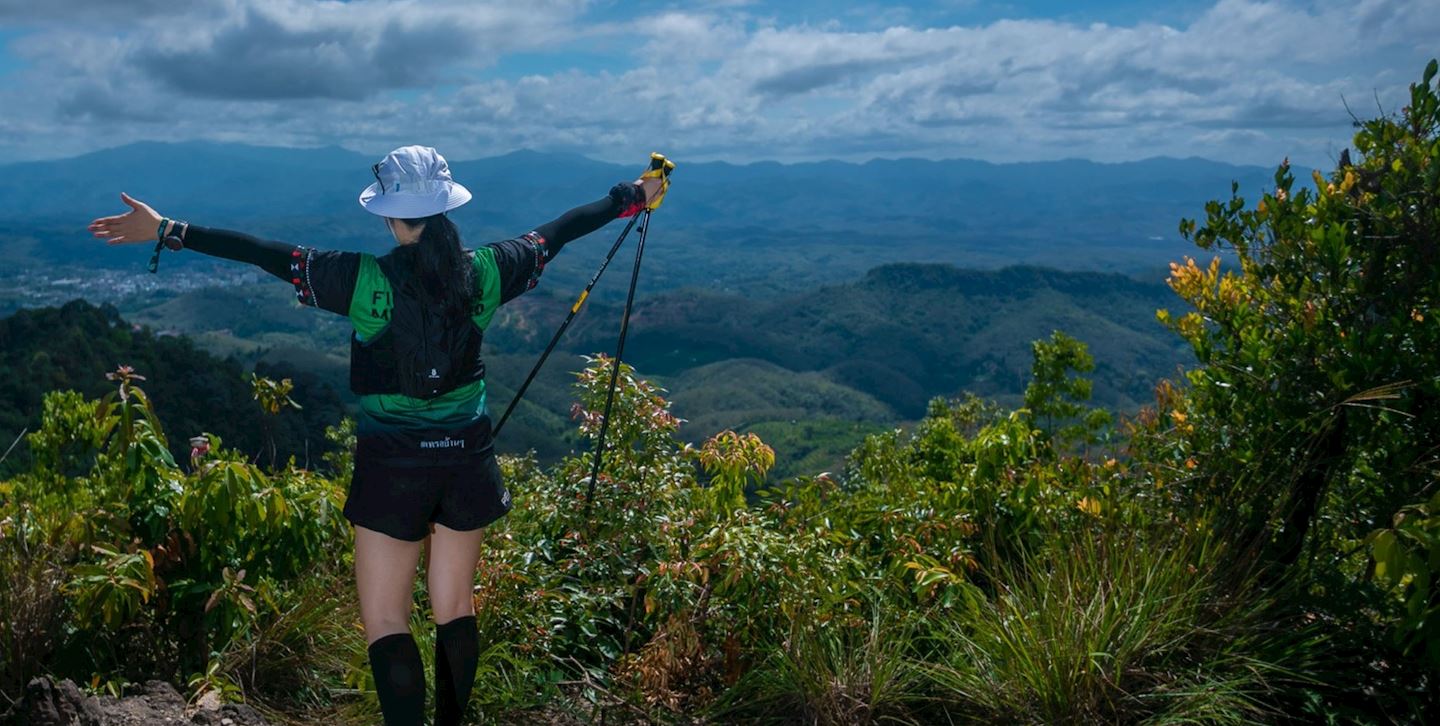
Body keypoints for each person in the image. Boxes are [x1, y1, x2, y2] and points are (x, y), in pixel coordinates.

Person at [87, 145, 666, 726]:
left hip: (393, 468)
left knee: (388, 620)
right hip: (467, 459)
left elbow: (265, 254)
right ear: (443, 209)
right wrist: (635, 197)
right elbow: (561, 230)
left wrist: (167, 229)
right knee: (456, 609)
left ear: (390, 216)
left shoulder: (364, 281)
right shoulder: (488, 270)